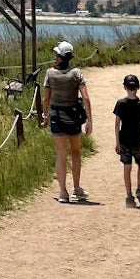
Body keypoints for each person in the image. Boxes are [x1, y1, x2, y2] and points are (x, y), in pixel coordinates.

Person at [42, 40, 92, 202]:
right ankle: (76, 188)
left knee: (61, 154)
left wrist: (45, 116)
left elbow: (46, 98)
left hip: (57, 116)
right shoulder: (76, 73)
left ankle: (63, 192)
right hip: (73, 117)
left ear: (60, 56)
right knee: (76, 152)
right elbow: (86, 97)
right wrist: (90, 120)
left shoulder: (50, 73)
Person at [112, 73, 140, 207]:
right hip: (138, 139)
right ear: (138, 87)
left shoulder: (120, 103)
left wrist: (117, 142)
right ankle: (139, 188)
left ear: (125, 87)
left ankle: (129, 195)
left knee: (127, 166)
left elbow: (117, 124)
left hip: (124, 140)